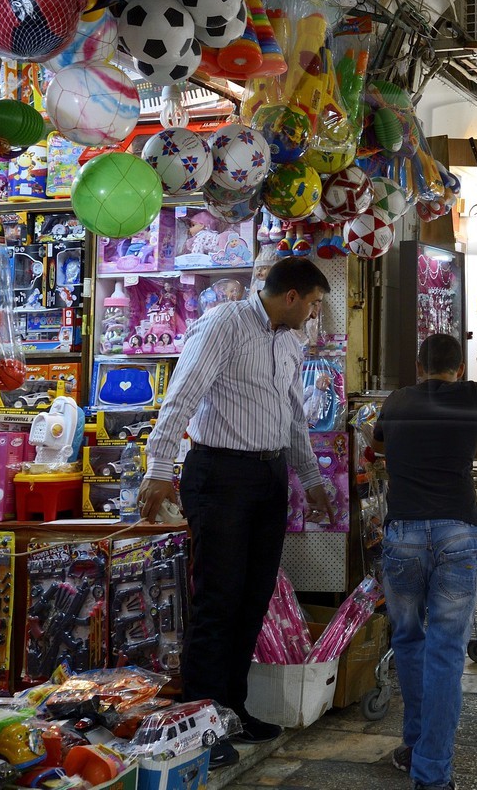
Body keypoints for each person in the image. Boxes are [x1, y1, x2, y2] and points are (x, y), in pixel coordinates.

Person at [138, 257, 333, 768]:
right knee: (218, 600)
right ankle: (201, 720)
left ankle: (232, 709)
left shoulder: (288, 341)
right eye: (312, 304)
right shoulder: (225, 323)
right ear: (290, 295)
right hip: (219, 474)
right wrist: (159, 467)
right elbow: (182, 393)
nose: (314, 316)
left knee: (253, 599)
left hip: (268, 478)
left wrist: (310, 480)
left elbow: (292, 416)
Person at [373, 334, 477, 790]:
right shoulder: (473, 395)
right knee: (445, 651)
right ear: (459, 367)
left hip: (403, 532)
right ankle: (432, 774)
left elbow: (381, 446)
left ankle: (414, 745)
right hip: (458, 533)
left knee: (408, 640)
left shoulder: (397, 400)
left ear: (419, 366)